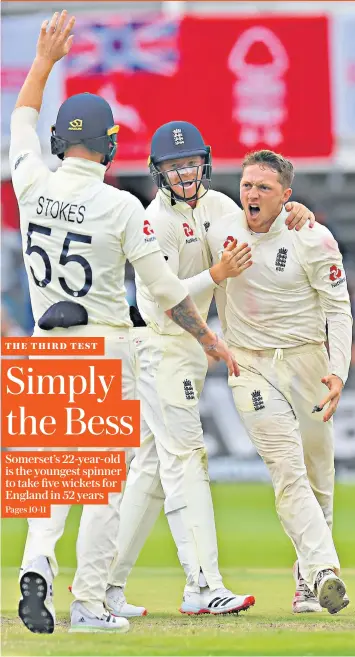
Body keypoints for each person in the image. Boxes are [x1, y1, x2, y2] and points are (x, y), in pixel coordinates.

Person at [11, 12, 239, 634]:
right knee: (104, 488)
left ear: (62, 141)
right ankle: (86, 601)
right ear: (110, 145)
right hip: (107, 348)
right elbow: (166, 294)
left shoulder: (29, 182)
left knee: (53, 476)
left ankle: (36, 564)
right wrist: (208, 327)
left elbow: (21, 120)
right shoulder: (122, 206)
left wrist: (44, 63)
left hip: (43, 347)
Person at [105, 123, 315, 616]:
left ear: (206, 162)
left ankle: (103, 582)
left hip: (191, 351)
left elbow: (265, 225)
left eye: (191, 163)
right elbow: (165, 299)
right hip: (162, 345)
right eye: (173, 166)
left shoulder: (221, 206)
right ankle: (202, 586)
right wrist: (217, 279)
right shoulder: (154, 220)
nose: (184, 174)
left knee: (153, 470)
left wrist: (293, 210)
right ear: (158, 172)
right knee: (188, 459)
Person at [204, 149, 352, 615]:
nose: (251, 194)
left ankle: (307, 582)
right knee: (286, 471)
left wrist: (339, 371)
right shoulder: (222, 228)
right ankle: (324, 571)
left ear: (286, 196)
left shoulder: (313, 237)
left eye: (264, 188)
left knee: (317, 478)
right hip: (250, 365)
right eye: (247, 185)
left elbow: (338, 309)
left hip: (308, 362)